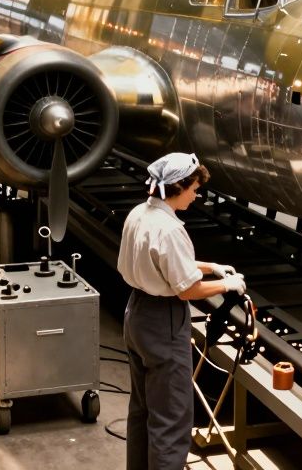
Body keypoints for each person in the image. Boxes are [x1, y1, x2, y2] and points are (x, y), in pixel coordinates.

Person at [120, 153, 245, 470]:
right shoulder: (171, 229)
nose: (196, 195)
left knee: (143, 411)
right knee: (171, 420)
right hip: (164, 321)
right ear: (179, 186)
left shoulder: (140, 215)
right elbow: (186, 289)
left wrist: (210, 267)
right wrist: (227, 285)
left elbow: (164, 263)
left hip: (136, 313)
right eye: (194, 188)